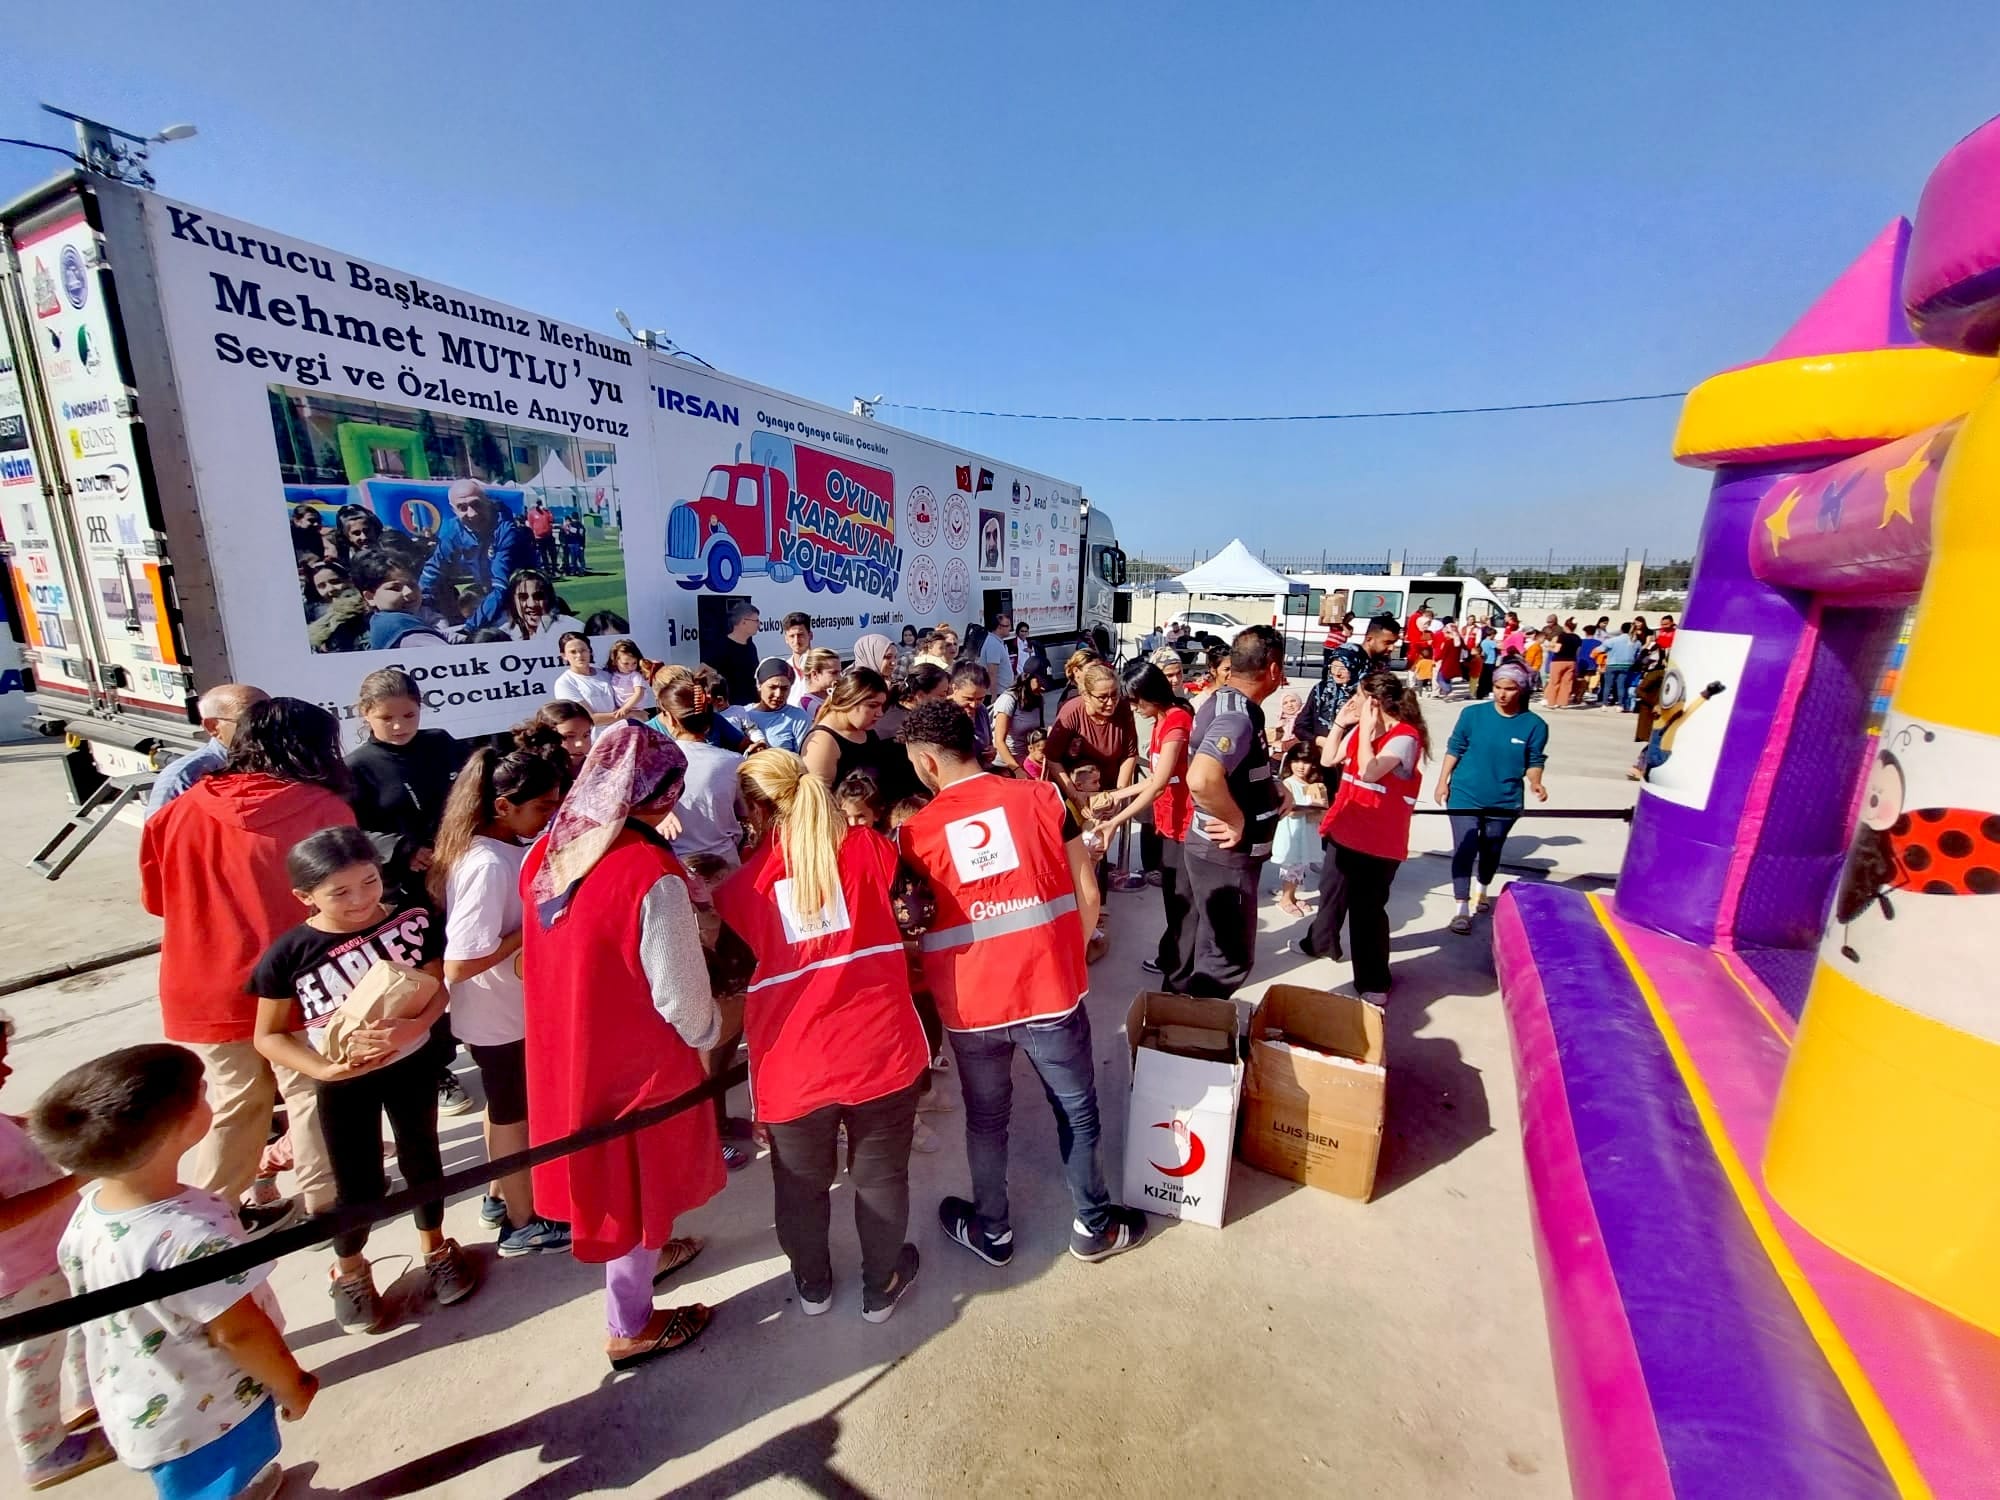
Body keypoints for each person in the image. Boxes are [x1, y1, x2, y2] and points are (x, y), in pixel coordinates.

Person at [894, 701, 1146, 1265]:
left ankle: (993, 1231)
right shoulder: (1046, 798)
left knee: (987, 1120)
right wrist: (1065, 961)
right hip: (1049, 993)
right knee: (1076, 1110)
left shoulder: (912, 835)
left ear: (928, 763)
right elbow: (1088, 893)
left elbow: (913, 924)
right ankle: (1094, 1227)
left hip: (970, 1006)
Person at [520, 725, 723, 1369]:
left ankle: (647, 1255)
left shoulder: (548, 850)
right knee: (637, 1183)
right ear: (657, 793)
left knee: (609, 1181)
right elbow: (681, 999)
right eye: (672, 790)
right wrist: (713, 1031)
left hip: (565, 1043)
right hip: (635, 1061)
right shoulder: (649, 872)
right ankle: (629, 1323)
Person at [34, 1046, 317, 1500]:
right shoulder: (190, 1237)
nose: (207, 1091)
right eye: (199, 1092)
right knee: (215, 1484)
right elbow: (238, 1332)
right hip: (208, 1413)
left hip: (144, 1402)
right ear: (176, 1130)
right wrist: (293, 1384)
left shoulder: (91, 1212)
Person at [717, 752, 930, 1320]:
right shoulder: (872, 849)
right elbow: (915, 914)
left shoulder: (740, 890)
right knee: (881, 1177)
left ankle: (814, 1287)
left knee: (800, 1187)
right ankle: (880, 1286)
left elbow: (730, 978)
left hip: (793, 1066)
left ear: (755, 811)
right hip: (882, 1048)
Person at [139, 698, 355, 1227]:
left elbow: (157, 901)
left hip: (204, 981)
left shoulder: (177, 810)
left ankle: (208, 1224)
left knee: (236, 1103)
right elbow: (349, 905)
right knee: (312, 1093)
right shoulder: (324, 811)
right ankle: (330, 1212)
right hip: (299, 980)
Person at [249, 827, 476, 1329]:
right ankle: (349, 1269)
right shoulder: (288, 954)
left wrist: (415, 1026)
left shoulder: (412, 919)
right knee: (358, 1183)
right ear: (305, 897)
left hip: (412, 1064)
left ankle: (435, 1246)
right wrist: (324, 1070)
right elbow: (268, 1035)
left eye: (370, 882)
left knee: (422, 1158)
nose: (360, 900)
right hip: (344, 1082)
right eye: (340, 892)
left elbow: (438, 985)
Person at [428, 747, 572, 1257]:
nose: (551, 815)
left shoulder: (497, 847)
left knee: (504, 1107)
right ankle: (522, 1222)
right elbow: (460, 962)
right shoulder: (488, 863)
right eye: (542, 806)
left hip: (505, 1011)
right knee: (514, 1114)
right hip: (499, 1017)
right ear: (504, 806)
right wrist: (528, 931)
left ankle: (499, 1194)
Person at [0, 1018, 114, 1490]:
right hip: (21, 1277)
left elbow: (16, 1126)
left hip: (52, 1254)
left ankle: (90, 1394)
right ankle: (42, 1451)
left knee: (85, 1324)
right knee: (35, 1361)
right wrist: (76, 1179)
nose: (6, 1070)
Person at [1174, 625, 1288, 998]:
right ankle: (1199, 1026)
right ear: (1273, 669)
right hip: (1225, 857)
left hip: (1214, 855)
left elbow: (1237, 767)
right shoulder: (1237, 717)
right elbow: (1202, 778)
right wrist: (1236, 819)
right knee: (1227, 960)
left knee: (1212, 946)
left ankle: (1190, 1016)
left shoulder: (1226, 701)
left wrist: (1273, 785)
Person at [1306, 672, 1429, 1001]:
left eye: (1358, 696)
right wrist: (1341, 723)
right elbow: (1328, 759)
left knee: (1367, 910)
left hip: (1378, 840)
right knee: (1331, 892)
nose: (1352, 701)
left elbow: (1370, 770)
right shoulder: (1359, 728)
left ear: (1374, 703)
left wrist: (1365, 731)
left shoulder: (1405, 737)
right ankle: (1320, 943)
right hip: (1346, 829)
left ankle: (1374, 981)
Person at [1089, 663, 1194, 978]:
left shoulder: (1177, 721)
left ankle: (1179, 964)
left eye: (1137, 702)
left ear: (1152, 694)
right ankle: (1175, 956)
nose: (1134, 708)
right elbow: (1153, 780)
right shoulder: (1160, 720)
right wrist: (1115, 795)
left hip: (1184, 823)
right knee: (1172, 896)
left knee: (1182, 901)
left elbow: (1159, 783)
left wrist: (1115, 820)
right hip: (1168, 820)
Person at [1436, 663, 1549, 934]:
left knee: (1492, 848)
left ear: (1522, 690)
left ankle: (1482, 887)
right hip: (1464, 793)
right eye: (1498, 687)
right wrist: (1442, 782)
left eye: (1509, 689)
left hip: (1505, 799)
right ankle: (1461, 908)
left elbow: (1534, 761)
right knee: (1464, 847)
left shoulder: (1535, 725)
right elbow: (1455, 747)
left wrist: (1536, 782)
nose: (1502, 694)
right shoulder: (1472, 714)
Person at [420, 480, 539, 629]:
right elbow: (433, 568)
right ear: (453, 510)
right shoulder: (455, 530)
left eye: (476, 504)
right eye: (462, 508)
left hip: (524, 600)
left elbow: (500, 586)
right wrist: (420, 600)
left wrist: (469, 628)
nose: (472, 513)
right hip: (492, 597)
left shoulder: (506, 530)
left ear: (487, 501)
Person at [657, 680, 746, 871]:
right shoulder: (733, 761)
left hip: (676, 865)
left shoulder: (655, 762)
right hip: (726, 861)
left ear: (670, 718)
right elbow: (745, 811)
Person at [146, 683, 269, 815]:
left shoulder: (278, 760)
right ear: (213, 726)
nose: (269, 724)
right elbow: (162, 826)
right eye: (253, 719)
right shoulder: (184, 777)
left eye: (275, 715)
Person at [1293, 614, 1399, 756]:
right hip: (1322, 757)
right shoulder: (1322, 690)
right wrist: (1321, 741)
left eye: (1343, 668)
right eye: (1387, 642)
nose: (1392, 648)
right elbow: (1301, 726)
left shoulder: (1374, 685)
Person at [801, 667, 891, 790]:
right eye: (872, 705)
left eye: (882, 706)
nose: (880, 713)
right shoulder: (822, 744)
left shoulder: (865, 729)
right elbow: (819, 797)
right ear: (849, 701)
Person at [350, 548, 452, 651]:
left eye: (412, 584)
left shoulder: (383, 621)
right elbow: (442, 653)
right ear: (370, 597)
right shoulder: (400, 627)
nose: (408, 592)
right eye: (395, 588)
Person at [1271, 744, 1327, 918]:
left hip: (1306, 832)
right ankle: (1285, 899)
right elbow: (1291, 811)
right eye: (1296, 761)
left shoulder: (1313, 785)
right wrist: (1313, 806)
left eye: (1306, 762)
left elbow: (1322, 810)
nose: (1301, 766)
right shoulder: (1287, 784)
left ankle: (1292, 896)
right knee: (1292, 865)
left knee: (1300, 865)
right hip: (1292, 833)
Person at [553, 632, 645, 734]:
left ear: (590, 651)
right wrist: (630, 714)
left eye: (583, 650)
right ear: (564, 656)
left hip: (622, 734)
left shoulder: (606, 674)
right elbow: (589, 719)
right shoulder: (564, 683)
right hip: (595, 740)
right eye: (573, 652)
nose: (579, 655)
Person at [729, 658, 813, 750]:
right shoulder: (741, 714)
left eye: (784, 688)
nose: (778, 694)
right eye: (772, 687)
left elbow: (804, 756)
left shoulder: (799, 718)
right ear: (759, 685)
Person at [517, 701, 593, 785]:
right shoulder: (527, 775)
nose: (580, 744)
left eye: (586, 735)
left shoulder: (598, 768)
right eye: (569, 736)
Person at [989, 670, 1050, 774]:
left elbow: (1038, 734)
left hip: (1026, 762)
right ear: (1028, 678)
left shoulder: (1038, 699)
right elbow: (999, 741)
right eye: (1040, 682)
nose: (1043, 688)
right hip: (1005, 766)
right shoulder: (1008, 700)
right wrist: (1016, 769)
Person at [501, 568, 585, 642]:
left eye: (538, 596)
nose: (532, 604)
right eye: (523, 597)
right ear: (512, 601)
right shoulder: (504, 635)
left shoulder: (573, 628)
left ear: (549, 598)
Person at [704, 601, 762, 707]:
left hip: (752, 706)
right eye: (756, 621)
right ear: (744, 622)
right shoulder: (721, 646)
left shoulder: (750, 646)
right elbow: (702, 672)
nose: (759, 625)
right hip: (730, 708)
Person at [1599, 622, 1641, 713]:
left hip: (1612, 664)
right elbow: (1638, 654)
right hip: (1626, 665)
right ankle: (1620, 705)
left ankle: (1604, 704)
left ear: (1621, 630)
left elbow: (1600, 649)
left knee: (1607, 685)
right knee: (1621, 685)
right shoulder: (1636, 642)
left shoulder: (1613, 640)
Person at [791, 648, 842, 718]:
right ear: (815, 674)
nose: (839, 677)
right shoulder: (807, 703)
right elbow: (834, 720)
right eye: (834, 673)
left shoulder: (835, 695)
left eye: (839, 672)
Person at [607, 638, 652, 714]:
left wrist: (625, 708)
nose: (631, 667)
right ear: (615, 661)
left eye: (634, 663)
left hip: (634, 709)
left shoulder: (635, 676)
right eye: (626, 663)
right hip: (620, 709)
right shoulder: (614, 674)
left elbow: (639, 693)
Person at [526, 499, 558, 574]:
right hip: (539, 538)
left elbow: (551, 520)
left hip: (548, 536)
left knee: (553, 553)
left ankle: (554, 569)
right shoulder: (531, 513)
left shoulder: (546, 511)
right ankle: (547, 570)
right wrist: (533, 535)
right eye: (537, 503)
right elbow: (531, 525)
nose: (538, 505)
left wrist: (548, 511)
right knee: (543, 554)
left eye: (539, 503)